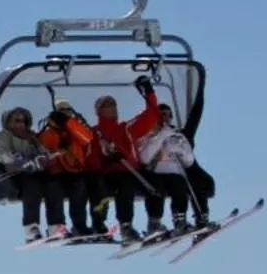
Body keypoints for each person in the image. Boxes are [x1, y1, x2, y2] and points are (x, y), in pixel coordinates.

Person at [89, 78, 166, 238]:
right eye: (107, 105)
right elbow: (90, 158)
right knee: (125, 185)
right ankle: (125, 226)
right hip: (110, 174)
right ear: (99, 112)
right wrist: (105, 161)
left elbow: (152, 115)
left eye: (113, 104)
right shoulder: (94, 133)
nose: (112, 107)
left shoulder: (126, 129)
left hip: (132, 171)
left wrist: (149, 91)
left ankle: (154, 222)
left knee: (156, 183)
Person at [137, 102, 215, 230]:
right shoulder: (148, 136)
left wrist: (181, 150)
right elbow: (144, 158)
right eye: (160, 115)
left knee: (180, 184)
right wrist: (161, 136)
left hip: (175, 173)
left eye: (166, 115)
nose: (164, 118)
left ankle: (180, 219)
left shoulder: (178, 136)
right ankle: (154, 222)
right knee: (156, 188)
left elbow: (189, 161)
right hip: (156, 173)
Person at [0, 107, 58, 241]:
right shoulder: (4, 136)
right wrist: (18, 160)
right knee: (31, 185)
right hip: (15, 174)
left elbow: (43, 151)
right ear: (8, 123)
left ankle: (55, 226)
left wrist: (43, 158)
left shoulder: (31, 137)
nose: (20, 124)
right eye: (16, 120)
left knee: (53, 183)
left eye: (22, 121)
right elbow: (2, 154)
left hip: (34, 171)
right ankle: (31, 228)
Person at [38, 102, 97, 236]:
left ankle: (79, 225)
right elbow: (41, 155)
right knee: (53, 186)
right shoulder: (47, 134)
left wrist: (68, 123)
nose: (66, 114)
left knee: (80, 187)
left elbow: (87, 138)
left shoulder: (76, 132)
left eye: (68, 111)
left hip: (74, 173)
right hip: (54, 174)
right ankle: (56, 225)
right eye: (62, 112)